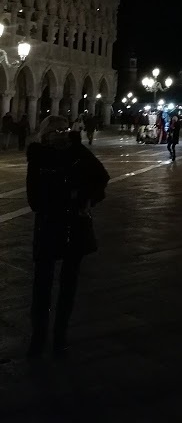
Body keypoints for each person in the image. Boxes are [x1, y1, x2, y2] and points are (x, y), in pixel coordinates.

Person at [26, 115, 110, 358]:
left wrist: (86, 198)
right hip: (49, 224)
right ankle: (38, 336)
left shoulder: (79, 152)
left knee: (69, 283)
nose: (61, 134)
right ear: (45, 134)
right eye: (55, 131)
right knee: (42, 284)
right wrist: (63, 195)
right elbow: (34, 198)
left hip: (75, 224)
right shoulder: (38, 156)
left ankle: (60, 335)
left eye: (64, 130)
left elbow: (101, 177)